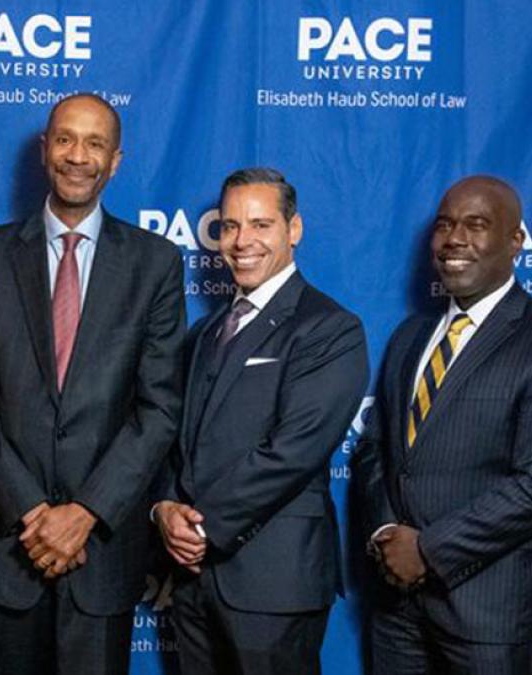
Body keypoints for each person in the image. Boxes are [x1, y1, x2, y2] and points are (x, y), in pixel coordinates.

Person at [0, 93, 185, 674]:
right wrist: (31, 511)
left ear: (116, 160)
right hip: (5, 550)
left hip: (101, 554)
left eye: (95, 142)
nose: (79, 156)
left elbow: (158, 409)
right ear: (44, 148)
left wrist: (85, 513)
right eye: (67, 139)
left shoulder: (155, 262)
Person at [358, 175, 532, 673]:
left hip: (489, 611)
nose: (455, 239)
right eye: (445, 225)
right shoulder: (410, 337)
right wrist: (387, 531)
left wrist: (428, 550)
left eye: (476, 224)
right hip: (396, 609)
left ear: (516, 241)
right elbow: (375, 448)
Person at [154, 168, 368, 674]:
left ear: (294, 230)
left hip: (273, 583)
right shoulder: (206, 332)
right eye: (229, 226)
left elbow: (294, 450)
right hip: (191, 582)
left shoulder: (329, 327)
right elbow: (174, 439)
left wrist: (203, 531)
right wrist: (163, 508)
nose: (242, 241)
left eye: (260, 224)